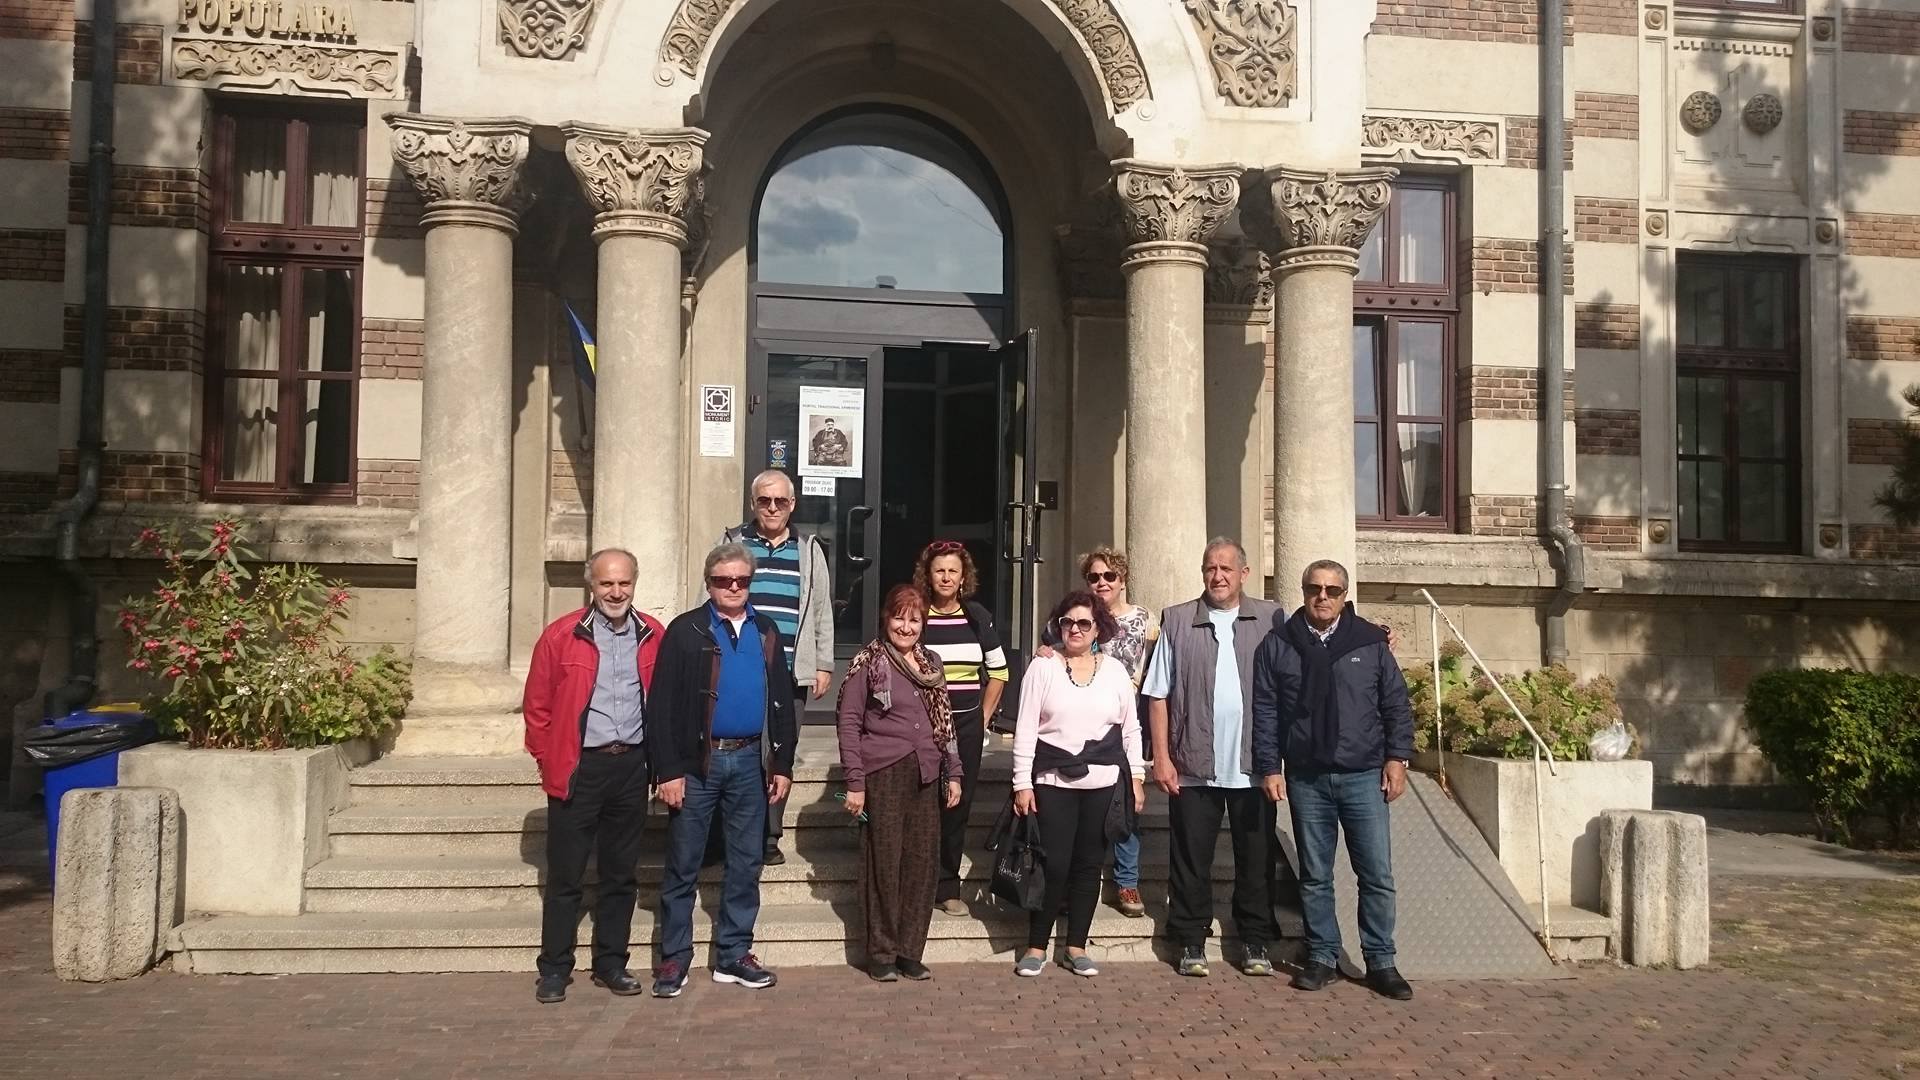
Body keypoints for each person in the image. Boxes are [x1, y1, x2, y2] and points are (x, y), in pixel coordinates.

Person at [1252, 558, 1416, 1001]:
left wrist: (1397, 759)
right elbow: (1265, 710)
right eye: (1314, 588)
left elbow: (1395, 704)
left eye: (1332, 590)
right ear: (1303, 591)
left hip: (1363, 775)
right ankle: (1323, 956)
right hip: (1307, 777)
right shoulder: (1278, 644)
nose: (1322, 597)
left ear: (1345, 596)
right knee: (1314, 875)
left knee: (1376, 874)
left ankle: (1381, 961)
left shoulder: (1369, 642)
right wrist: (1270, 767)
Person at [649, 543, 798, 997]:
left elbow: (781, 700)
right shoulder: (685, 630)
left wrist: (782, 763)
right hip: (699, 764)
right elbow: (661, 707)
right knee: (684, 862)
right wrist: (667, 771)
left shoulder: (766, 629)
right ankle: (674, 958)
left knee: (746, 862)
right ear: (709, 582)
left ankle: (734, 953)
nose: (733, 587)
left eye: (741, 580)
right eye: (723, 580)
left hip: (751, 761)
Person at [521, 548, 663, 1004]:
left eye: (624, 583)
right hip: (580, 767)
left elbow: (664, 699)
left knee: (620, 874)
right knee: (566, 876)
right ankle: (554, 968)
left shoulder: (653, 634)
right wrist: (550, 759)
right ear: (591, 585)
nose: (616, 592)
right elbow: (537, 707)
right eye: (606, 583)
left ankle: (611, 964)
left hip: (631, 766)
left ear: (634, 583)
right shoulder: (561, 635)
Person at [1140, 537, 1282, 978]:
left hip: (1254, 764)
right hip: (1193, 762)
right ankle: (1189, 940)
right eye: (1209, 568)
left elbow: (1316, 646)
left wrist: (1377, 633)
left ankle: (1255, 939)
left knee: (1256, 859)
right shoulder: (1178, 620)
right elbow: (1158, 695)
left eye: (1225, 568)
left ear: (1244, 573)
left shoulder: (1273, 619)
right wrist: (1161, 758)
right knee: (1190, 859)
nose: (1217, 576)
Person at [1010, 591, 1146, 977]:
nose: (1075, 629)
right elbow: (1025, 728)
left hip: (1103, 781)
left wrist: (1136, 777)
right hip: (1052, 780)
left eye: (1084, 623)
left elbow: (1130, 730)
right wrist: (1022, 783)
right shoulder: (1043, 667)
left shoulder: (1115, 672)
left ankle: (1076, 946)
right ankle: (1036, 946)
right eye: (1067, 622)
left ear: (1098, 628)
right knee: (1053, 864)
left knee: (1088, 866)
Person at [836, 584, 963, 982]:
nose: (906, 627)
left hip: (927, 772)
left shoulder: (931, 663)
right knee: (884, 864)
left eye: (914, 619)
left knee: (921, 865)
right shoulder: (868, 662)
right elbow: (849, 722)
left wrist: (954, 771)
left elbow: (945, 722)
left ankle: (910, 951)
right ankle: (882, 953)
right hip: (883, 773)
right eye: (899, 618)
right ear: (885, 619)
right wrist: (855, 782)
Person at [1034, 545, 1158, 917]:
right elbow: (1050, 648)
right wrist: (1044, 651)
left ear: (1123, 580)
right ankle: (1066, 884)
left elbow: (1156, 670)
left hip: (1123, 719)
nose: (1102, 582)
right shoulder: (1073, 616)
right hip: (1077, 725)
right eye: (1094, 576)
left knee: (1125, 806)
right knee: (1077, 815)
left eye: (1110, 576)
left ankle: (1127, 880)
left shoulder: (1144, 620)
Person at [722, 468, 834, 867]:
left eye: (780, 501)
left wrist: (823, 663)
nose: (772, 508)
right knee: (739, 752)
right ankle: (733, 833)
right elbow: (713, 596)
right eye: (764, 500)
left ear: (792, 504)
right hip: (740, 669)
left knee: (781, 752)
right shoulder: (734, 542)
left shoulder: (808, 549)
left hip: (788, 671)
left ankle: (769, 836)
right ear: (753, 503)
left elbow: (820, 609)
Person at [913, 540, 1009, 917]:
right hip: (922, 724)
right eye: (939, 570)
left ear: (963, 576)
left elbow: (999, 672)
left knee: (957, 803)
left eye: (953, 570)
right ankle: (917, 882)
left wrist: (983, 718)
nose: (946, 577)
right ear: (928, 574)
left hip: (966, 723)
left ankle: (947, 885)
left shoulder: (976, 616)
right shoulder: (916, 613)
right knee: (922, 799)